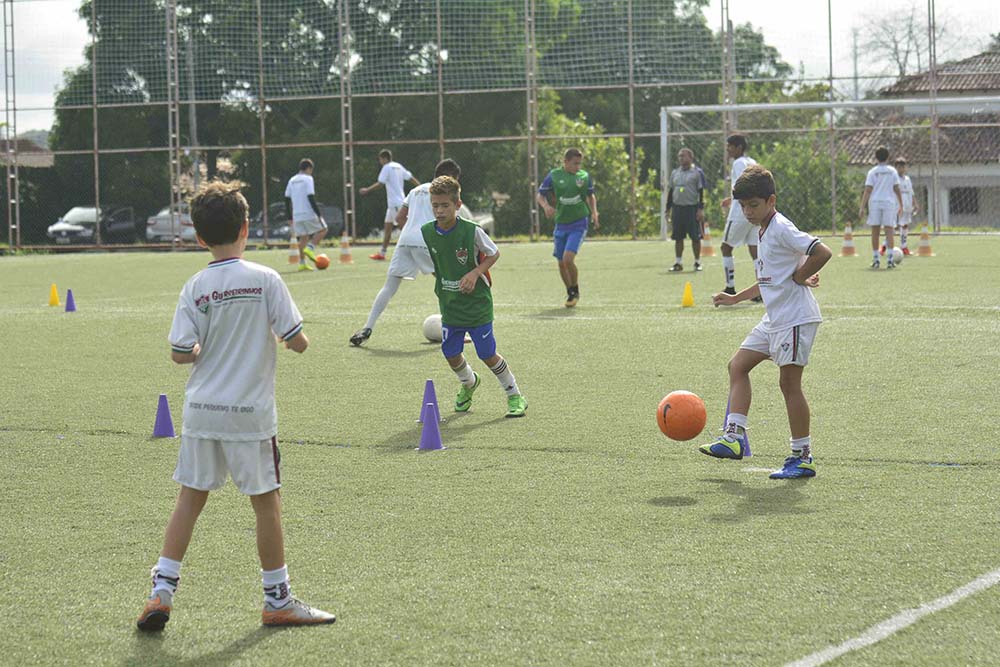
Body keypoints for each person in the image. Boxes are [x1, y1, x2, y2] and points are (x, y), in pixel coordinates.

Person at [137, 181, 335, 631]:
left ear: (199, 237)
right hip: (250, 415)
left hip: (201, 411)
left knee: (190, 499)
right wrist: (295, 337)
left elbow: (179, 353)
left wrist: (205, 351)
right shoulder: (266, 278)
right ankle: (277, 600)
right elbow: (297, 343)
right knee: (266, 504)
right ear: (246, 228)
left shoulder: (195, 286)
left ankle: (160, 592)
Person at [699, 165, 832, 480]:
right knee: (737, 366)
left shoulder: (781, 227)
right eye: (743, 206)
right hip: (774, 318)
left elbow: (821, 251)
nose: (747, 211)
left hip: (795, 318)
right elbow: (769, 279)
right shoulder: (764, 229)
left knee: (788, 384)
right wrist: (735, 298)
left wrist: (801, 274)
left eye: (753, 205)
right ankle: (734, 438)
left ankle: (803, 457)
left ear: (771, 201)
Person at [421, 176, 527, 418]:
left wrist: (475, 273)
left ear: (458, 205)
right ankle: (469, 382)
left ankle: (514, 395)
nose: (439, 210)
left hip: (477, 305)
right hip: (450, 305)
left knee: (487, 353)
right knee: (450, 353)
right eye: (435, 205)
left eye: (444, 205)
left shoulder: (472, 231)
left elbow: (494, 253)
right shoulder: (427, 232)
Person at [350, 158, 462, 347]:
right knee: (448, 282)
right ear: (448, 177)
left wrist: (411, 234)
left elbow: (400, 217)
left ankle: (367, 327)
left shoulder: (415, 190)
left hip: (405, 240)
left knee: (389, 286)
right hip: (428, 238)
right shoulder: (445, 194)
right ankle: (454, 332)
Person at [535, 147, 600, 307]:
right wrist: (546, 206)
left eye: (579, 164)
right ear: (565, 162)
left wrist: (594, 212)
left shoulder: (583, 177)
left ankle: (575, 289)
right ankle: (570, 292)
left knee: (568, 259)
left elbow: (590, 195)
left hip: (579, 223)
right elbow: (540, 194)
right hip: (561, 224)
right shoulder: (554, 175)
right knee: (560, 262)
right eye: (574, 164)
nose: (578, 167)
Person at [359, 149, 420, 261]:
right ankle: (382, 253)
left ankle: (417, 252)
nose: (380, 161)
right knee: (388, 228)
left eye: (380, 159)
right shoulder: (399, 166)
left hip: (396, 203)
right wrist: (420, 186)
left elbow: (381, 183)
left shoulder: (386, 167)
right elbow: (410, 178)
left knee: (405, 228)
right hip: (395, 204)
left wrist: (367, 190)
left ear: (385, 158)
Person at [719, 135, 759, 297]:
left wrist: (736, 200)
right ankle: (761, 290)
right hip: (755, 211)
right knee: (755, 250)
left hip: (739, 213)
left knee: (726, 247)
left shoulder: (738, 163)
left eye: (730, 146)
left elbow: (744, 186)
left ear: (739, 147)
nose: (728, 149)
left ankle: (730, 287)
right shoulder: (753, 161)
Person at [858, 145, 903, 269]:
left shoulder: (872, 171)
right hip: (889, 203)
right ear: (888, 157)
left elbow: (868, 189)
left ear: (876, 157)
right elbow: (896, 188)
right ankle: (889, 259)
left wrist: (862, 207)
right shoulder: (892, 171)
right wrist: (901, 204)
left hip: (875, 202)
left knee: (875, 231)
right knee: (889, 230)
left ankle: (876, 259)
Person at [666, 148, 706, 272]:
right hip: (678, 209)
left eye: (683, 156)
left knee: (695, 237)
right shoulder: (675, 173)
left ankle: (697, 262)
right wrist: (668, 208)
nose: (681, 158)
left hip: (691, 208)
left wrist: (700, 209)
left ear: (690, 157)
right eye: (679, 156)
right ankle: (678, 262)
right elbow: (671, 191)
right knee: (678, 237)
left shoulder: (697, 172)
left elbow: (701, 192)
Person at [284, 158, 328, 272]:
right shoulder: (308, 179)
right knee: (324, 229)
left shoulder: (292, 180)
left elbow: (286, 199)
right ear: (309, 168)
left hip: (296, 214)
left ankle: (302, 263)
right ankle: (310, 248)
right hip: (308, 212)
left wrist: (289, 216)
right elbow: (310, 197)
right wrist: (318, 214)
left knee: (303, 237)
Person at [894, 157, 918, 255]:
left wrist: (915, 203)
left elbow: (911, 192)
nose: (901, 169)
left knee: (905, 225)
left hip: (907, 205)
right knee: (895, 226)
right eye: (899, 167)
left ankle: (903, 246)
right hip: (898, 205)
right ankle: (886, 246)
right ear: (896, 168)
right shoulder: (894, 178)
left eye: (903, 167)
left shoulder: (907, 179)